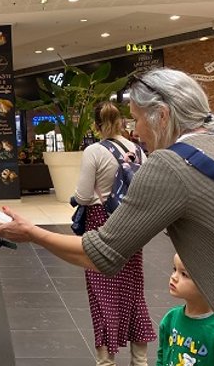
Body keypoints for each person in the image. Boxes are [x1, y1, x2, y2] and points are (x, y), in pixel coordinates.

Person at [0, 68, 214, 366]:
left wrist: (32, 233)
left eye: (136, 119)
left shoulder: (171, 164)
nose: (135, 131)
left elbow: (101, 254)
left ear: (162, 115)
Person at [74, 101, 155, 366]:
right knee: (133, 292)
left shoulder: (94, 151)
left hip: (101, 223)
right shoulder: (138, 150)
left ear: (95, 125)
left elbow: (83, 196)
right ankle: (140, 361)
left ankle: (106, 362)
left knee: (102, 294)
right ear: (121, 122)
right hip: (131, 225)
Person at [158, 253, 214, 366]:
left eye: (184, 274)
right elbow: (162, 357)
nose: (174, 277)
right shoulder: (170, 319)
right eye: (175, 269)